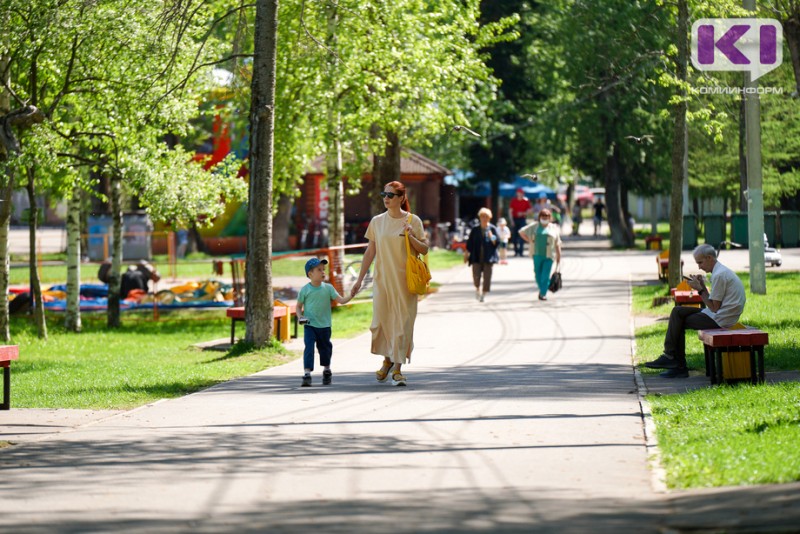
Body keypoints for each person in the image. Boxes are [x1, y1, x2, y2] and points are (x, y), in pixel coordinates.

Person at [350, 181, 429, 387]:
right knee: (381, 323)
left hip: (405, 282)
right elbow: (370, 251)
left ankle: (397, 369)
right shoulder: (377, 221)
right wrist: (360, 280)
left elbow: (424, 249)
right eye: (384, 194)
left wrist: (410, 235)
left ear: (401, 198)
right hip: (382, 281)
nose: (386, 198)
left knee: (402, 325)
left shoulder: (414, 221)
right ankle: (387, 360)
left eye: (391, 195)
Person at [645, 244, 746, 378]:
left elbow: (714, 307)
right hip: (718, 314)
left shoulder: (719, 275)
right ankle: (672, 359)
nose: (699, 267)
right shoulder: (720, 271)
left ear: (709, 258)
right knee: (677, 311)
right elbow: (714, 303)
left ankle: (675, 362)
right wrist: (702, 286)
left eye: (700, 262)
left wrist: (699, 289)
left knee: (678, 321)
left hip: (721, 319)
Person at [296, 257, 352, 387]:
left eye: (324, 269)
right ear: (310, 274)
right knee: (309, 348)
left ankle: (327, 370)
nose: (323, 272)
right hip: (309, 325)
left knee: (325, 348)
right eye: (319, 270)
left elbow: (341, 300)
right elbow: (298, 307)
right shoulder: (305, 290)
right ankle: (307, 374)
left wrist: (351, 295)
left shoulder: (328, 288)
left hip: (325, 326)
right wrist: (300, 317)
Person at [519, 208, 562, 301]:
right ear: (539, 217)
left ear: (550, 217)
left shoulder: (553, 228)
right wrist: (529, 240)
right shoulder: (535, 226)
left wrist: (559, 256)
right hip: (536, 254)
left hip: (549, 255)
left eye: (547, 216)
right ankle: (543, 288)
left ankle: (543, 293)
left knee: (545, 276)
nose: (545, 218)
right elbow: (521, 232)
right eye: (543, 216)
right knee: (537, 275)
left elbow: (558, 243)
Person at [464, 208, 500, 302]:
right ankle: (477, 289)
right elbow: (470, 243)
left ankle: (483, 294)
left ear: (489, 218)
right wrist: (466, 254)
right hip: (476, 256)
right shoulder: (475, 229)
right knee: (476, 276)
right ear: (479, 217)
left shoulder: (492, 229)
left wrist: (492, 236)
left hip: (489, 257)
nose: (484, 218)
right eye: (482, 216)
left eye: (486, 217)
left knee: (487, 277)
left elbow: (496, 243)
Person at [508, 188, 532, 257]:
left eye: (521, 193)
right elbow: (510, 211)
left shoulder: (526, 201)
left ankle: (521, 252)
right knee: (514, 236)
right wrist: (511, 220)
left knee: (522, 235)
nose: (520, 194)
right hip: (514, 219)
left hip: (522, 219)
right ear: (517, 194)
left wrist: (523, 213)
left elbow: (530, 211)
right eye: (518, 193)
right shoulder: (513, 201)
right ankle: (516, 252)